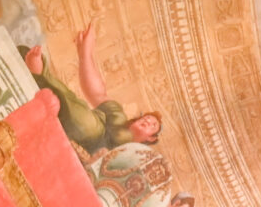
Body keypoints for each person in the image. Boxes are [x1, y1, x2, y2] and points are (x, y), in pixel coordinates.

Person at [22, 21, 162, 156]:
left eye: (153, 125)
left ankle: (39, 74)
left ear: (151, 138)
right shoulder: (119, 117)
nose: (148, 121)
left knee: (85, 124)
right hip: (88, 125)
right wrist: (85, 53)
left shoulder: (134, 155)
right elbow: (98, 93)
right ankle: (39, 73)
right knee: (76, 106)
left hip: (88, 150)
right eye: (148, 118)